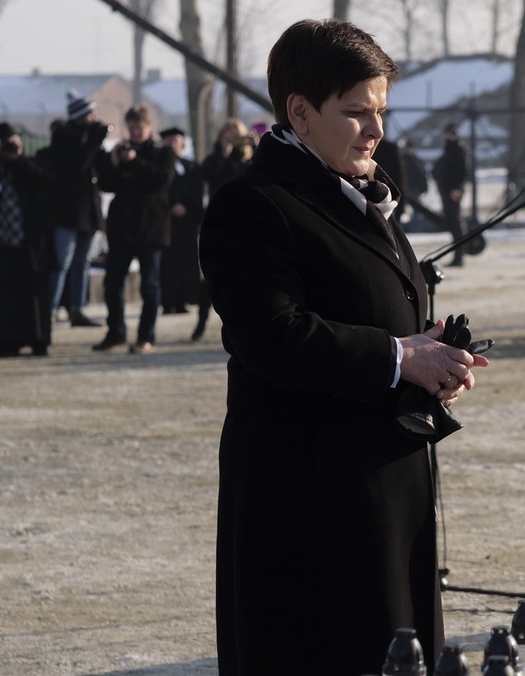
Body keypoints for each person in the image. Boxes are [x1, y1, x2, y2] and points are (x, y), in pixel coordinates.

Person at [197, 19, 489, 675]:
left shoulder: (362, 194)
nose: (376, 129)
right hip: (306, 496)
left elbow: (370, 310)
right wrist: (399, 357)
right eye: (356, 113)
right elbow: (270, 336)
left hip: (383, 485)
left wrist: (434, 354)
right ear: (300, 113)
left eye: (380, 110)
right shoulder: (254, 204)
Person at [92, 106, 176, 354]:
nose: (135, 132)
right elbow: (106, 185)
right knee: (112, 283)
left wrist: (135, 162)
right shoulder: (121, 151)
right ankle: (115, 331)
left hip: (151, 229)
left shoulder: (163, 152)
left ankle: (145, 336)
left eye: (139, 127)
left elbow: (160, 181)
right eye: (131, 128)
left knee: (149, 286)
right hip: (122, 229)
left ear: (149, 127)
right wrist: (116, 162)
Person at [0, 123, 52, 357]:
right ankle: (6, 341)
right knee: (2, 296)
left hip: (29, 245)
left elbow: (42, 181)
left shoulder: (30, 163)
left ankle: (38, 340)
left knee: (33, 297)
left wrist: (17, 157)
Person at [47, 90, 108, 328]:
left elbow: (98, 170)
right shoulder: (64, 135)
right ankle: (50, 309)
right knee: (62, 262)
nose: (94, 118)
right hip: (68, 211)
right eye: (89, 113)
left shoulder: (90, 137)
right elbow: (77, 166)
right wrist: (94, 141)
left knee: (82, 263)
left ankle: (77, 308)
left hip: (89, 212)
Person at [196, 118, 256, 340]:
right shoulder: (216, 158)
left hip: (245, 221)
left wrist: (255, 144)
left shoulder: (248, 158)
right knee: (210, 275)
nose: (231, 138)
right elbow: (206, 174)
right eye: (227, 133)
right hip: (218, 220)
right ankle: (201, 321)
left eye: (235, 134)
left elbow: (262, 170)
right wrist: (223, 152)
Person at [158, 127, 205, 318]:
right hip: (164, 221)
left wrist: (185, 207)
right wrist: (170, 206)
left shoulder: (191, 167)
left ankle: (184, 299)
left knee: (185, 260)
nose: (172, 145)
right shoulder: (158, 165)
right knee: (166, 263)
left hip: (186, 222)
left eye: (175, 142)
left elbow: (197, 191)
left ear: (182, 145)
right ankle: (168, 301)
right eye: (168, 141)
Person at [432, 122, 469, 266]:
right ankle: (458, 255)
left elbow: (463, 170)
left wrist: (457, 188)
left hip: (453, 191)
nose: (447, 136)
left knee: (455, 223)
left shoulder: (458, 149)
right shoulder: (450, 148)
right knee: (453, 223)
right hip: (447, 190)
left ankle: (459, 256)